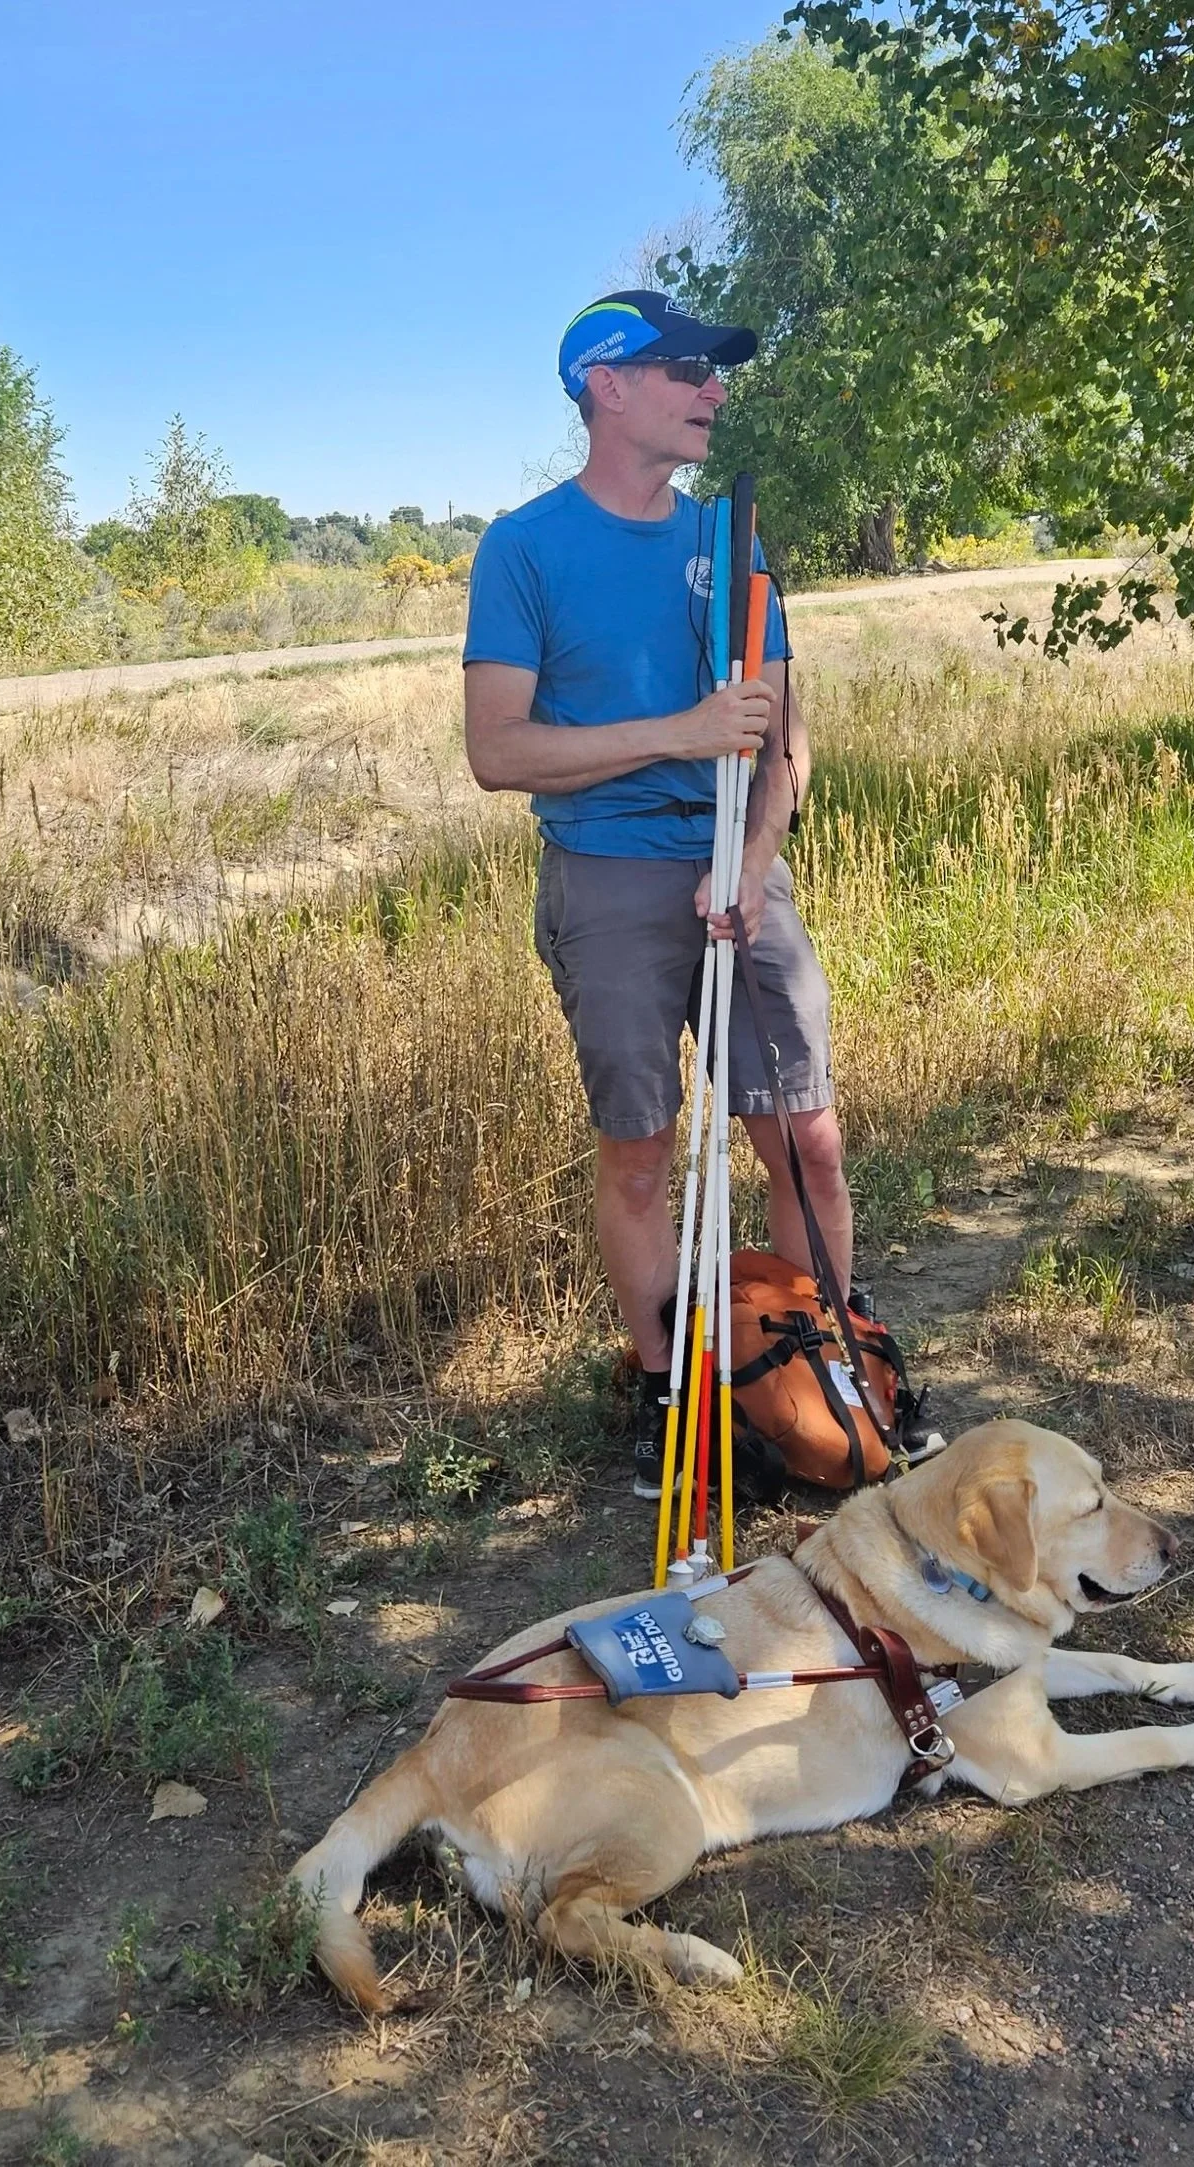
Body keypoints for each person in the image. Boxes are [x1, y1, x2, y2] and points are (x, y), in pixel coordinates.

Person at [463, 291, 853, 1495]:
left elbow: (782, 738)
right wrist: (678, 729)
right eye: (687, 368)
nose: (714, 389)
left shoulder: (734, 545)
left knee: (805, 1139)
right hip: (609, 874)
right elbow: (500, 751)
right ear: (605, 386)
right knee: (640, 1154)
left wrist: (751, 860)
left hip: (741, 863)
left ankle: (827, 1368)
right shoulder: (525, 548)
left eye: (716, 370)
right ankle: (663, 1389)